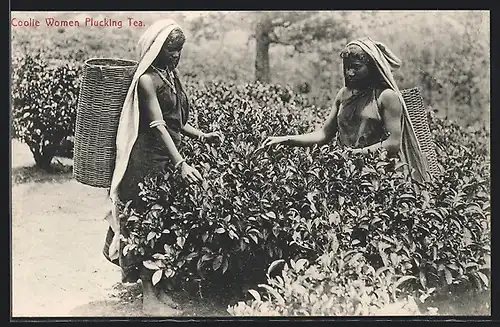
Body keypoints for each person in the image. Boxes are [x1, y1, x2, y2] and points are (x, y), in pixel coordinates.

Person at [102, 19, 223, 316]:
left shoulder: (171, 75)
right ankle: (148, 295)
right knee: (145, 224)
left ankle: (161, 287)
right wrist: (181, 163)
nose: (176, 56)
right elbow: (156, 124)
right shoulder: (147, 80)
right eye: (171, 50)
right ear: (156, 48)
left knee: (164, 223)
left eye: (179, 50)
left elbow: (176, 122)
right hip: (145, 162)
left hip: (166, 160)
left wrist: (202, 135)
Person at [262, 37, 432, 183]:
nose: (350, 72)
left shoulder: (386, 97)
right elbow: (324, 134)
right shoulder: (344, 94)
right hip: (346, 171)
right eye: (347, 67)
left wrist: (354, 154)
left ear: (372, 67)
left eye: (356, 67)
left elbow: (393, 143)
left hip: (379, 176)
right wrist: (286, 139)